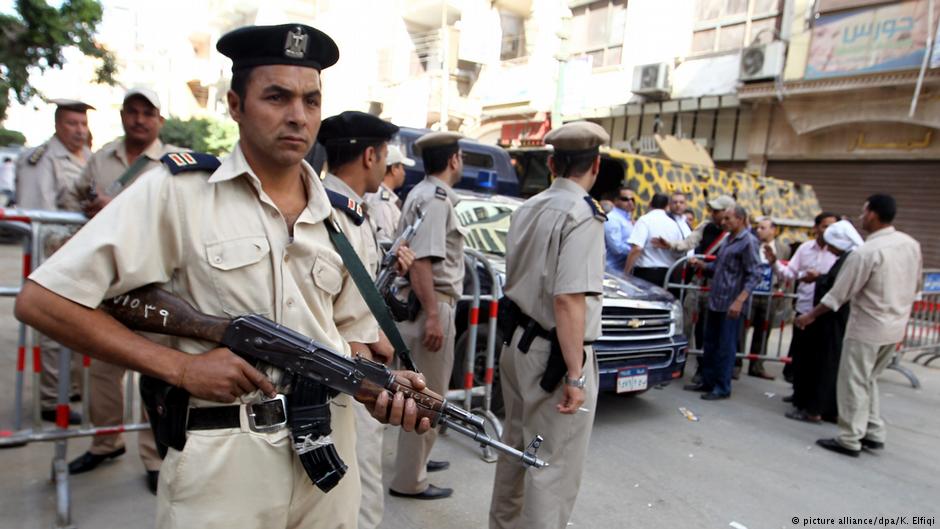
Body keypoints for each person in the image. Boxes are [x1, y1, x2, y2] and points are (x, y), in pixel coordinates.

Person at [14, 23, 431, 529]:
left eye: (311, 99)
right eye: (276, 96)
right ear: (235, 104)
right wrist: (178, 367)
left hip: (328, 467)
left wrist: (379, 389)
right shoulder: (177, 192)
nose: (298, 115)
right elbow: (43, 301)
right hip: (222, 468)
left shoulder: (343, 219)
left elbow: (356, 340)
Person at [488, 121, 607, 529]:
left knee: (519, 448)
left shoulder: (529, 206)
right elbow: (569, 299)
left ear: (553, 163)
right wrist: (575, 376)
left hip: (518, 346)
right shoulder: (583, 215)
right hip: (554, 357)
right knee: (550, 465)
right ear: (596, 165)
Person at [63, 87, 179, 492]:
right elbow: (73, 196)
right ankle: (106, 441)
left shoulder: (172, 163)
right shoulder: (101, 158)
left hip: (154, 286)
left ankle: (153, 454)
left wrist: (120, 205)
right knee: (102, 371)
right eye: (132, 111)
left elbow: (178, 219)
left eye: (149, 112)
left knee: (154, 371)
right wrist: (88, 204)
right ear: (123, 115)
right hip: (105, 286)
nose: (139, 119)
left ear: (159, 120)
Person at [317, 110, 415, 529]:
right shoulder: (338, 212)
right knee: (360, 489)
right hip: (348, 370)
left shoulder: (345, 208)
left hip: (343, 366)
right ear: (370, 156)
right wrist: (378, 343)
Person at [796, 195, 922, 457]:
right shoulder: (910, 245)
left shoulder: (866, 253)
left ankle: (850, 437)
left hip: (867, 328)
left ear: (873, 215)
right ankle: (873, 432)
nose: (861, 217)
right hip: (895, 327)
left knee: (854, 382)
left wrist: (809, 316)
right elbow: (916, 287)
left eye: (864, 212)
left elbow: (836, 296)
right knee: (869, 380)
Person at [388, 131, 466, 501]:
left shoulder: (421, 194)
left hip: (421, 304)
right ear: (454, 160)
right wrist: (434, 315)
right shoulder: (436, 200)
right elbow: (421, 260)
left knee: (421, 394)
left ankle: (417, 461)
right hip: (430, 306)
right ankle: (410, 479)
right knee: (426, 396)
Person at [14, 97, 95, 425]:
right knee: (51, 333)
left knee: (77, 329)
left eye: (83, 124)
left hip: (81, 258)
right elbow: (37, 217)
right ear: (57, 125)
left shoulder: (88, 157)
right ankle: (51, 401)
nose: (79, 130)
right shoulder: (41, 159)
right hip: (53, 257)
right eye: (72, 123)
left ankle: (69, 390)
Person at [786, 220, 862, 424]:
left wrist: (810, 315)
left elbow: (836, 294)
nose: (828, 248)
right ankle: (826, 407)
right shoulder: (847, 259)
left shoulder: (850, 260)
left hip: (832, 322)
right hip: (833, 322)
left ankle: (815, 409)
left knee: (824, 365)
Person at [683, 206, 761, 400]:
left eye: (728, 218)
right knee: (710, 344)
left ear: (741, 219)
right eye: (723, 218)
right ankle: (708, 382)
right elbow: (719, 267)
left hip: (731, 304)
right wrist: (702, 265)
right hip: (716, 301)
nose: (723, 222)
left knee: (725, 347)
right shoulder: (728, 240)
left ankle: (722, 386)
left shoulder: (748, 242)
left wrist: (739, 301)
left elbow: (755, 275)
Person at [765, 212, 838, 388]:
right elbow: (789, 273)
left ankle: (811, 398)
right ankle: (798, 392)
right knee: (801, 353)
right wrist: (775, 262)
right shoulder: (805, 249)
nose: (829, 231)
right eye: (825, 226)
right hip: (805, 307)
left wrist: (819, 277)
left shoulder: (839, 253)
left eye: (833, 227)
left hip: (826, 311)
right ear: (816, 228)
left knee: (820, 357)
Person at [745, 217, 791, 380]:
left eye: (763, 228)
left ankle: (757, 366)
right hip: (750, 294)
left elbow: (787, 271)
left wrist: (781, 291)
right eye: (757, 228)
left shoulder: (783, 248)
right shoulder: (751, 245)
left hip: (770, 295)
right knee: (742, 330)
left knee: (763, 331)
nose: (758, 230)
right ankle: (735, 365)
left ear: (773, 230)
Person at [624, 193, 685, 289]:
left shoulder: (644, 220)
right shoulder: (674, 225)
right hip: (668, 274)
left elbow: (637, 248)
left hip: (646, 273)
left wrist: (626, 272)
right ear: (667, 206)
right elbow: (679, 251)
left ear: (650, 204)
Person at [364, 144, 413, 243]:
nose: (404, 173)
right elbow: (384, 242)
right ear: (394, 169)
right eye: (402, 168)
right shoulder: (382, 201)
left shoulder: (383, 197)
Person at [603, 185, 634, 272]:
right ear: (616, 200)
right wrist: (634, 251)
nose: (630, 202)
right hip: (612, 270)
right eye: (625, 199)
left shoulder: (626, 218)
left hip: (621, 269)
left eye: (632, 199)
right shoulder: (612, 218)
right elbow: (617, 248)